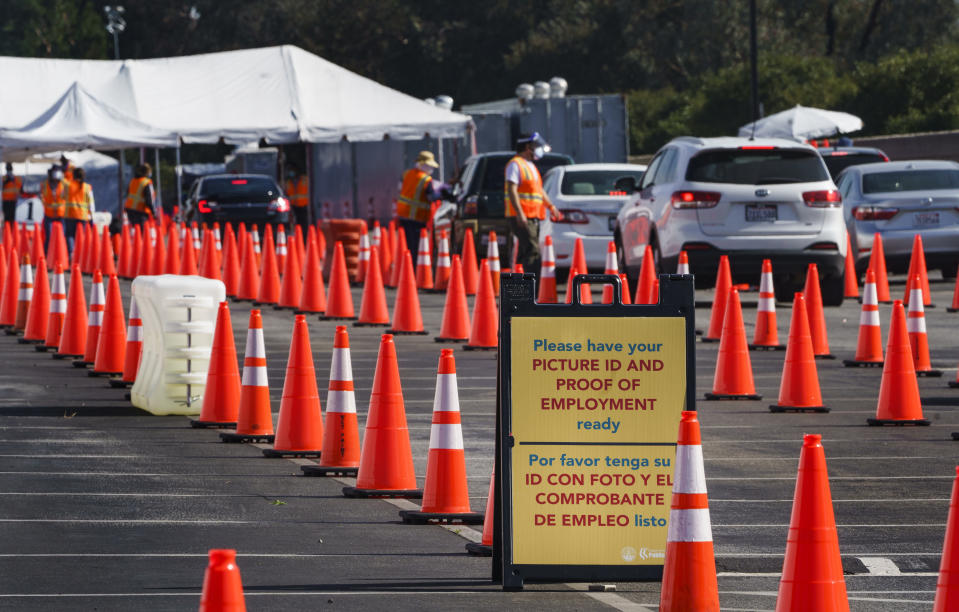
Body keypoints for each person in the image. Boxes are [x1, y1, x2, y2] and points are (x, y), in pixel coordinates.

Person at [504, 133, 561, 270]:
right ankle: (532, 289)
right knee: (532, 252)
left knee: (525, 252)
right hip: (523, 216)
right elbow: (512, 190)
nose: (538, 149)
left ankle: (519, 290)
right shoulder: (515, 165)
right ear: (527, 147)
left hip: (533, 216)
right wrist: (520, 213)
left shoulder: (530, 166)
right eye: (535, 146)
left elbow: (539, 191)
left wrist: (551, 207)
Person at [396, 150, 442, 251]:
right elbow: (432, 197)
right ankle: (414, 265)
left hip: (403, 215)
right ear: (423, 165)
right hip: (417, 217)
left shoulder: (406, 174)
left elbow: (400, 189)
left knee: (408, 244)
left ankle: (410, 264)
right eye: (430, 166)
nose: (431, 169)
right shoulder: (426, 179)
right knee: (417, 246)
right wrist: (442, 194)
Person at [65, 167, 94, 254]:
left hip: (70, 215)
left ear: (73, 175)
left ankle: (71, 253)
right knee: (81, 235)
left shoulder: (68, 185)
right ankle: (81, 254)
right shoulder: (87, 187)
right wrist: (92, 217)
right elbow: (91, 203)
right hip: (82, 216)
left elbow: (62, 196)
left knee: (70, 235)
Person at [41, 165, 69, 243]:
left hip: (61, 214)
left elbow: (68, 195)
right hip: (49, 214)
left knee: (62, 236)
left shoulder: (64, 183)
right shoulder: (45, 184)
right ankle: (47, 252)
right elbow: (42, 197)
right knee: (49, 236)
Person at [285, 165, 309, 230]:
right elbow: (286, 194)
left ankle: (304, 235)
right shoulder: (288, 182)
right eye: (290, 171)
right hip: (294, 207)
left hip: (304, 205)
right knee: (297, 224)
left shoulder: (305, 179)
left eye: (292, 170)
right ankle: (299, 235)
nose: (291, 172)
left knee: (304, 223)